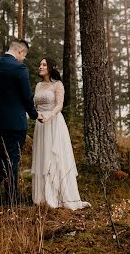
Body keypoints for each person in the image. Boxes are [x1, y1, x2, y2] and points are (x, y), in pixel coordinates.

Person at [0, 38, 42, 206]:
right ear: (20, 52)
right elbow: (27, 97)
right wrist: (34, 115)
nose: (23, 59)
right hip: (16, 122)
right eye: (23, 56)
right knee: (13, 159)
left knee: (2, 157)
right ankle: (12, 197)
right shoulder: (19, 68)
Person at [31, 57, 90, 210]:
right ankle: (42, 196)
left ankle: (58, 195)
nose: (40, 66)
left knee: (54, 156)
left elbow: (59, 105)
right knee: (42, 156)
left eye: (43, 64)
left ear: (50, 68)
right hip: (40, 124)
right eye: (40, 64)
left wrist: (49, 116)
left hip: (54, 123)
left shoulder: (58, 85)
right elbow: (33, 105)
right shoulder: (38, 85)